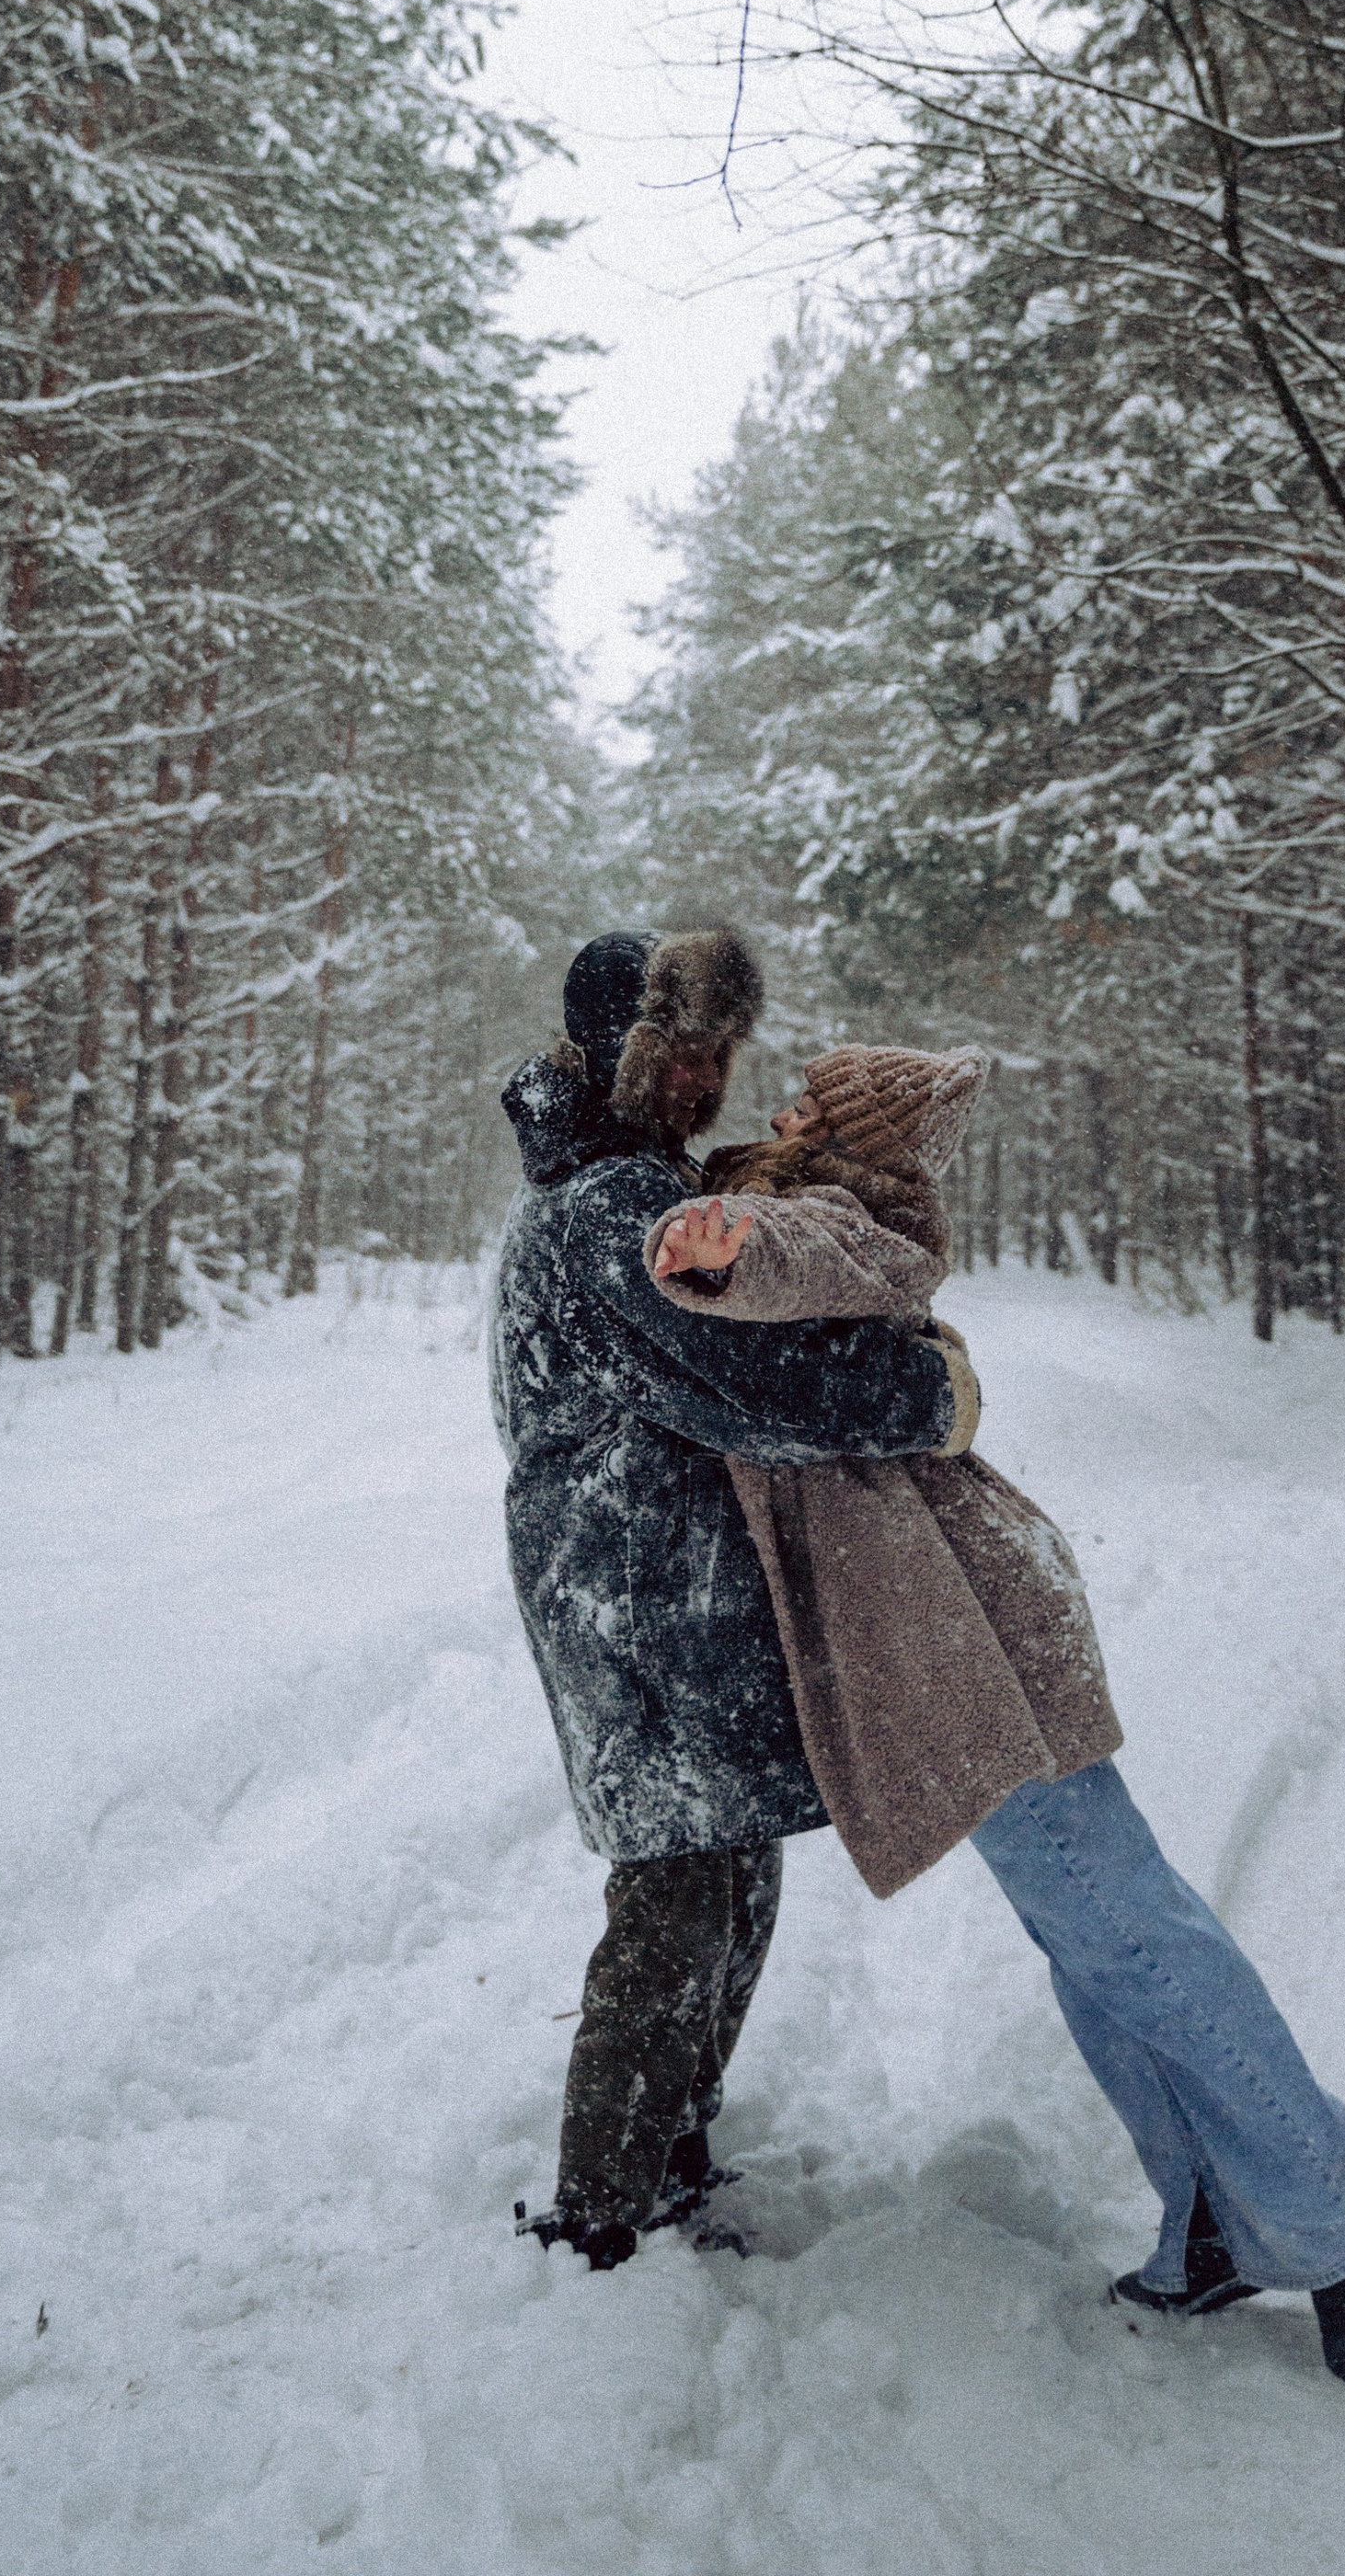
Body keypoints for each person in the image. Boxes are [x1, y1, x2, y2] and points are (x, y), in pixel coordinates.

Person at [649, 1041, 1345, 2390]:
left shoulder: (861, 1216)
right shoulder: (804, 1200)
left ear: (857, 1137)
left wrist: (729, 1245)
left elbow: (821, 1251)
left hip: (966, 1637)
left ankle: (1342, 2207)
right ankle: (1212, 2222)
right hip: (965, 1627)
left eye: (810, 1105)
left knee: (1128, 1929)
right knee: (1096, 1941)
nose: (781, 1113)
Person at [490, 930, 976, 2272]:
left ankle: (674, 2140)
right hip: (630, 1594)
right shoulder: (605, 1217)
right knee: (677, 1893)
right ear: (613, 1058)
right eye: (676, 1052)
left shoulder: (637, 1187)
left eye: (718, 1053)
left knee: (728, 1872)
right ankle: (601, 2210)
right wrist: (930, 1396)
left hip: (677, 1589)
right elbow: (750, 1382)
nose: (704, 1077)